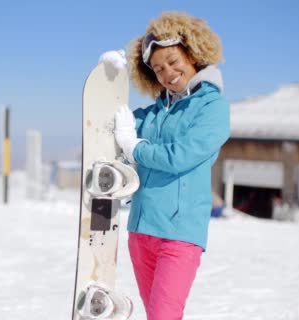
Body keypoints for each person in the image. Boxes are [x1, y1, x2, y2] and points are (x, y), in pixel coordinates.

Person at [100, 11, 230, 319]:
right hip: (141, 232)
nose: (167, 73)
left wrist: (137, 147)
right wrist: (110, 77)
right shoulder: (154, 113)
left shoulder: (213, 109)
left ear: (192, 53)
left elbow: (180, 156)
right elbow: (114, 124)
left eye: (173, 61)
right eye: (158, 69)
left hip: (179, 235)